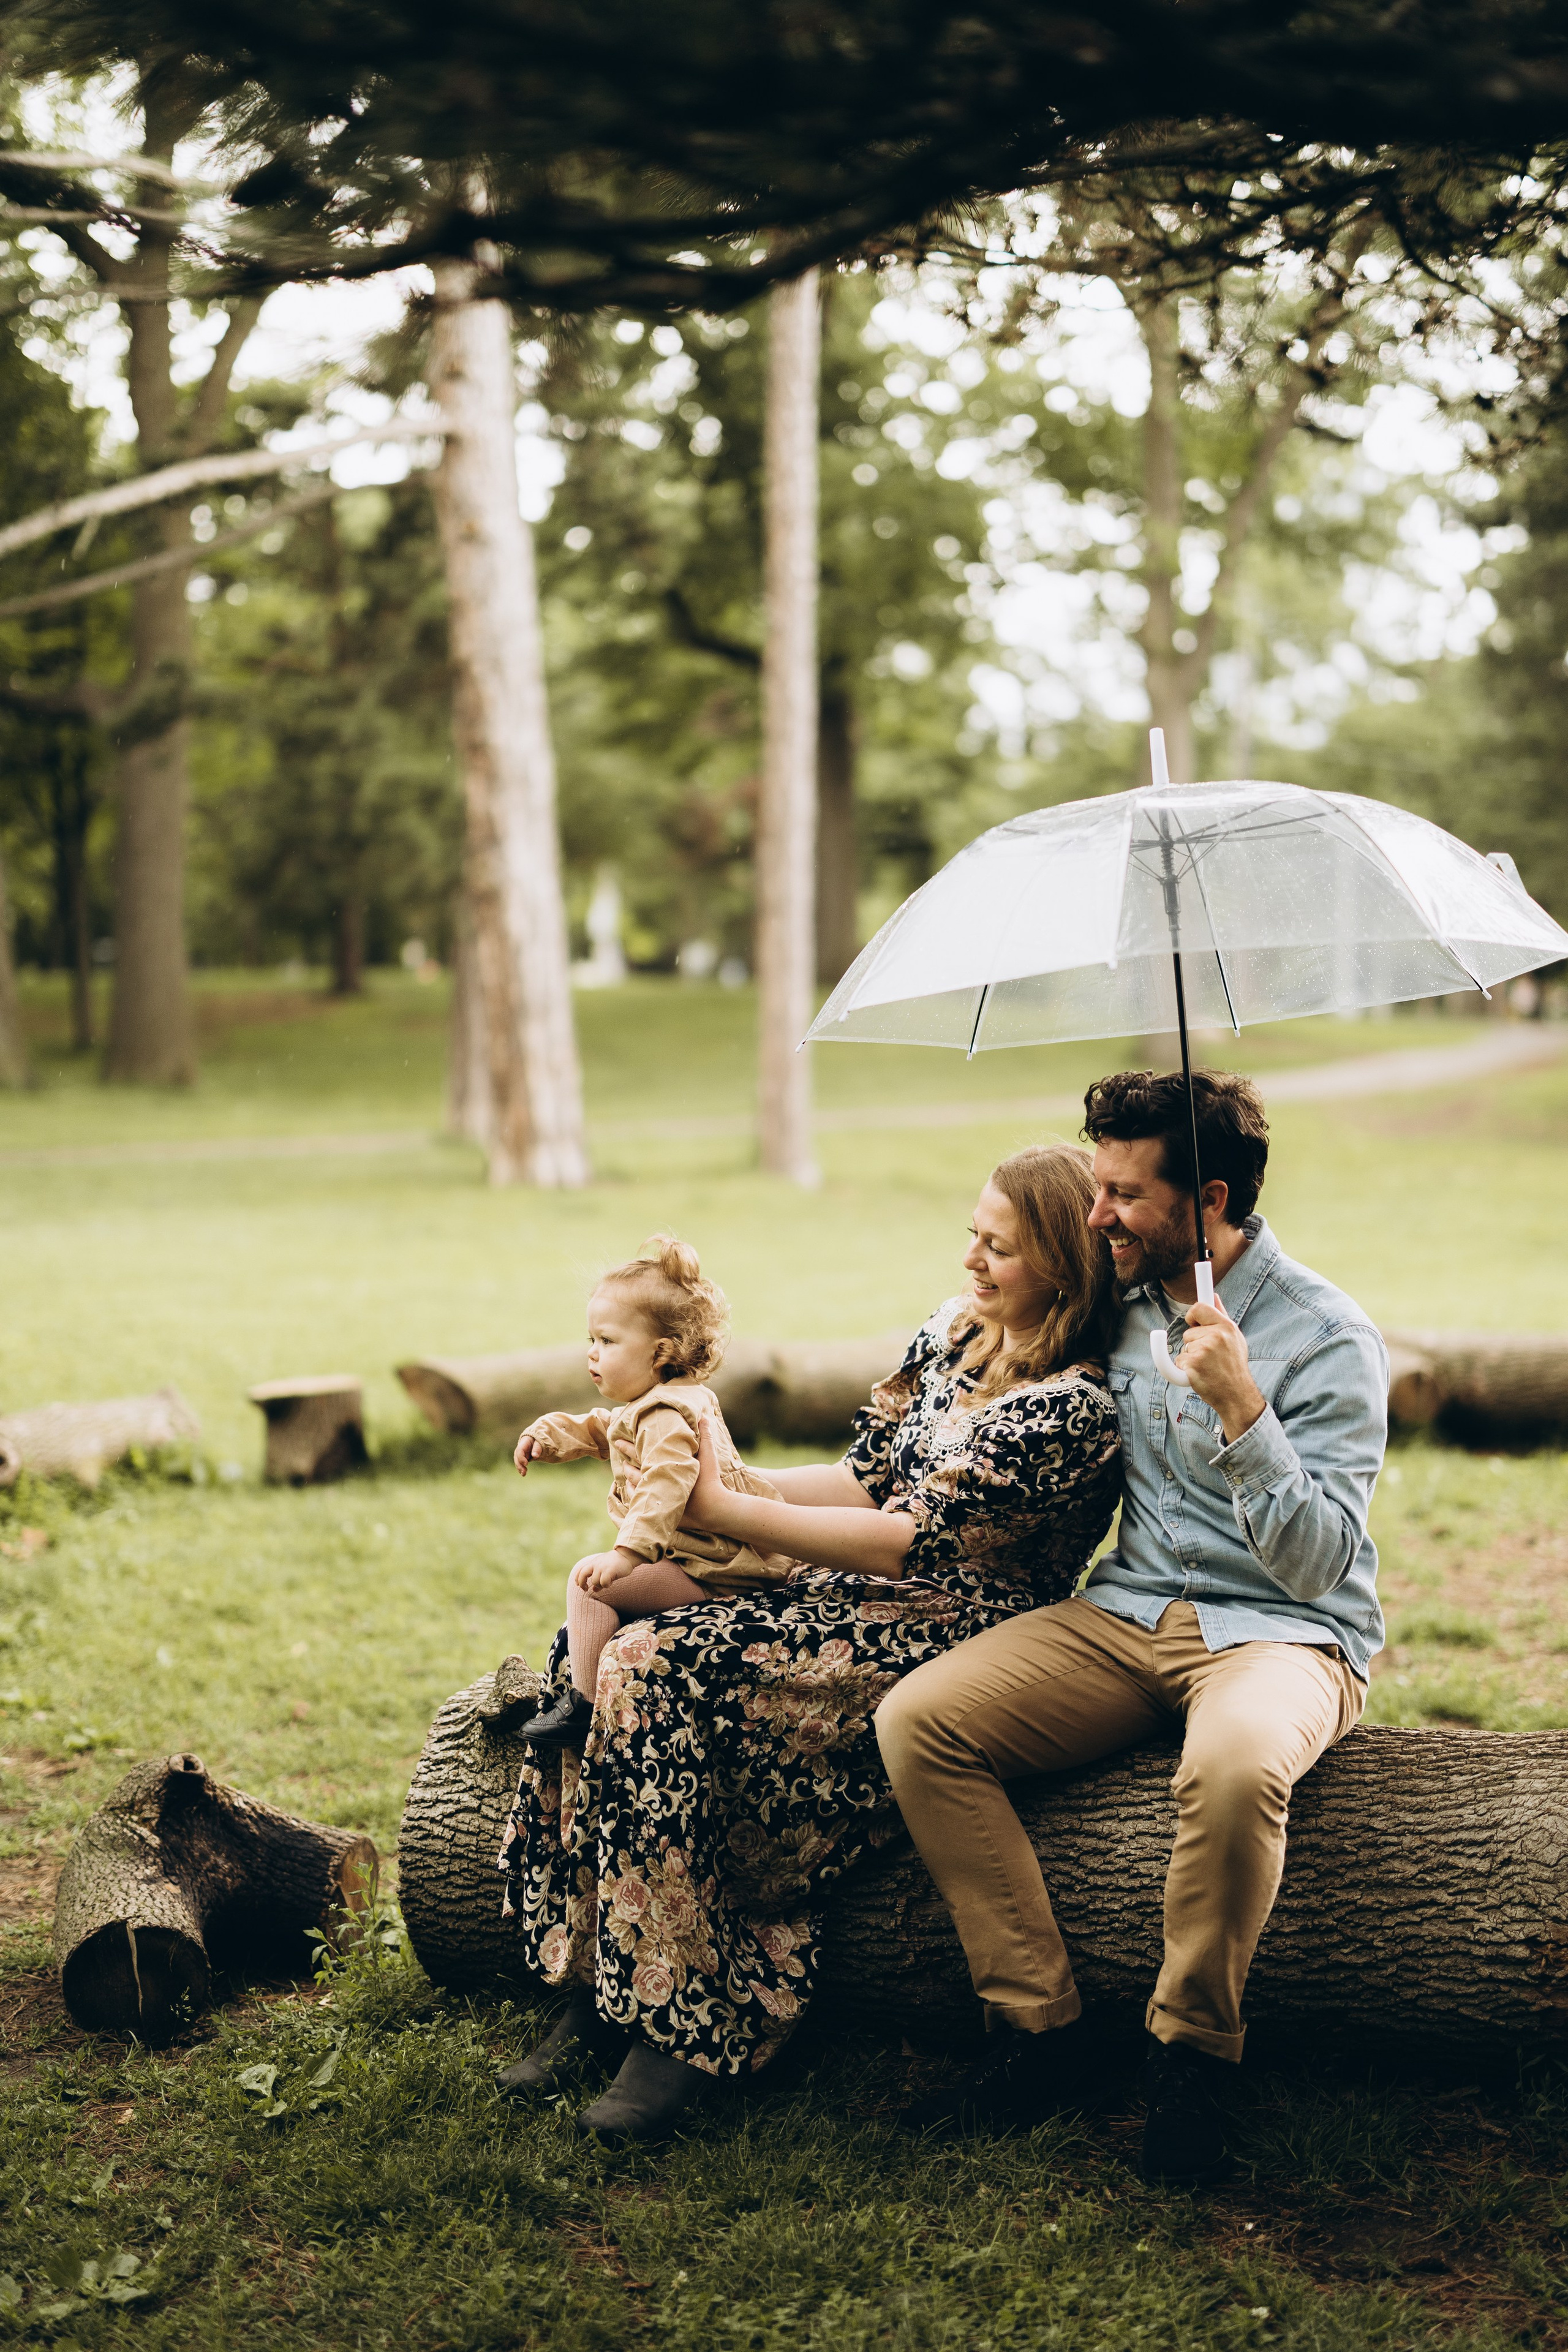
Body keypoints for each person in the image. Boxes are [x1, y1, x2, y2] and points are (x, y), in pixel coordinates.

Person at [494, 1144, 1123, 2143]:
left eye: (998, 1246)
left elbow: (905, 1538)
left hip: (946, 1627)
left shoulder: (1074, 1409)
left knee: (662, 1670)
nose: (971, 1258)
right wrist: (726, 1474)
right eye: (972, 1233)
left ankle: (683, 2025)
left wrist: (715, 1508)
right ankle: (601, 1980)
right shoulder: (954, 1336)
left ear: (1062, 1261)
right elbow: (862, 1479)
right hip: (845, 1581)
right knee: (604, 1634)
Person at [875, 1069, 1387, 2187]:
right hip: (1126, 1610)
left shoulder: (1331, 1338)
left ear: (1207, 1201)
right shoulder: (1123, 1304)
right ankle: (1039, 2031)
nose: (1097, 1214)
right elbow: (1018, 1336)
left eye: (1121, 1194)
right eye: (1096, 1186)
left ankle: (1191, 2057)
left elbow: (1320, 1563)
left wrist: (1243, 1410)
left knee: (1237, 1765)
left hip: (1284, 1634)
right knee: (922, 1721)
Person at [513, 1237, 797, 1751]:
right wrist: (548, 1435)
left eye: (607, 1340)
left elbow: (666, 1486)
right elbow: (604, 1429)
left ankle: (584, 1707)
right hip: (699, 1560)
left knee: (587, 1585)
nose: (592, 1353)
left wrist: (626, 1555)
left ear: (661, 1352)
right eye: (591, 1339)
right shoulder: (655, 1404)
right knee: (597, 1585)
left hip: (712, 1572)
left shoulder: (666, 1417)